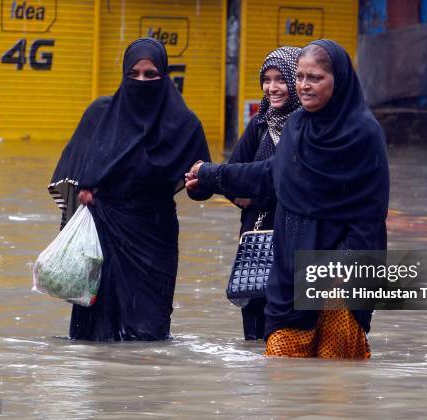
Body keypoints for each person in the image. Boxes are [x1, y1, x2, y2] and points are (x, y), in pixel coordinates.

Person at [186, 40, 389, 358]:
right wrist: (212, 175)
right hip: (290, 270)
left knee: (336, 382)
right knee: (282, 368)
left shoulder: (363, 133)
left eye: (315, 78)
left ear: (339, 80)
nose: (304, 86)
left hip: (340, 272)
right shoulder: (297, 126)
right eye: (301, 77)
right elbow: (269, 173)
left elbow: (371, 213)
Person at [48, 38, 212, 341]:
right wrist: (84, 189)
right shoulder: (100, 114)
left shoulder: (184, 125)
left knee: (149, 330)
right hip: (103, 234)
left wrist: (199, 183)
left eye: (151, 75)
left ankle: (145, 388)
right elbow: (69, 171)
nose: (141, 81)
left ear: (164, 76)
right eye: (134, 74)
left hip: (154, 237)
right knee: (97, 334)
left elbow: (201, 185)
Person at [225, 46, 301, 341]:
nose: (272, 88)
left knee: (294, 326)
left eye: (281, 80)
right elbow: (233, 175)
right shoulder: (259, 125)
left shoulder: (310, 127)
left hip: (297, 236)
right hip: (257, 238)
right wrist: (245, 197)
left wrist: (263, 192)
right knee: (256, 322)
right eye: (267, 80)